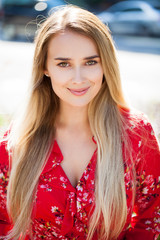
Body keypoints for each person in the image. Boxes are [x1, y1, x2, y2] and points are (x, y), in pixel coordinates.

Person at [0, 5, 160, 240]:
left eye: (90, 62)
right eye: (63, 64)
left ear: (105, 64)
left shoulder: (135, 134)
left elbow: (150, 218)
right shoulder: (14, 144)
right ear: (45, 67)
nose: (78, 79)